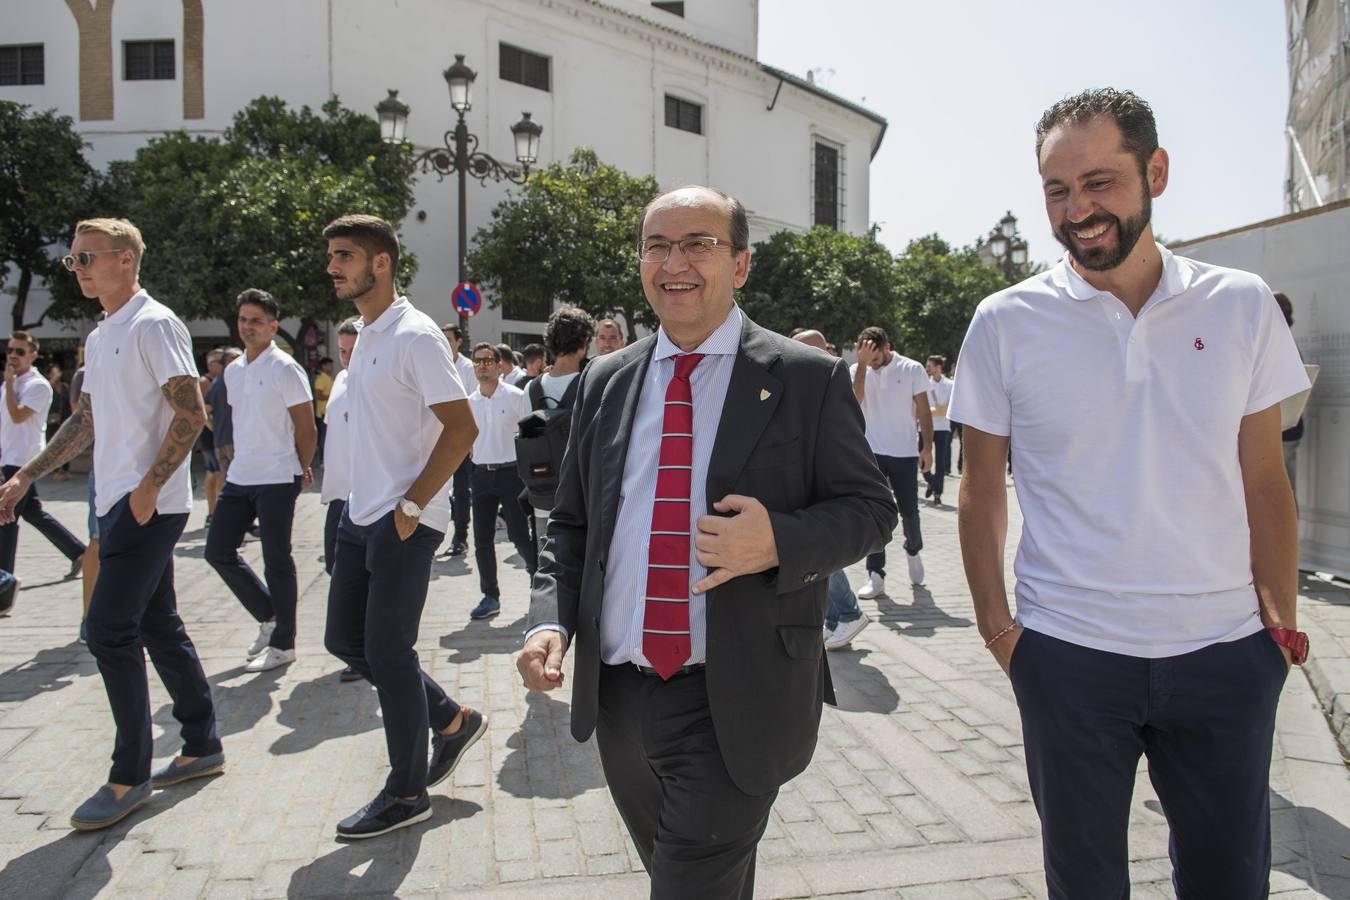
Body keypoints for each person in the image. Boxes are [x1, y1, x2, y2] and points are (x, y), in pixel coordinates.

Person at [951, 88, 1310, 899]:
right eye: (1056, 189)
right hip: (1068, 658)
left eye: (1100, 182)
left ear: (1156, 171)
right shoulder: (1004, 321)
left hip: (1225, 655)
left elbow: (1264, 480)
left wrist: (1276, 629)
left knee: (1230, 884)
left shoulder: (1241, 304)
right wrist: (1000, 632)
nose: (1077, 209)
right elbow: (979, 487)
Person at [518, 186, 897, 897]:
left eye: (699, 243)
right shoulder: (606, 380)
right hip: (618, 700)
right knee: (690, 874)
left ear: (742, 264)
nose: (675, 262)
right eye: (657, 246)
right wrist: (550, 619)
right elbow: (570, 525)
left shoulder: (804, 379)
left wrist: (779, 541)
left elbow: (872, 510)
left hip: (737, 697)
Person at [0, 217, 222, 831]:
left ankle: (130, 776)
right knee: (158, 624)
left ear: (125, 259)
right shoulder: (102, 336)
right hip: (115, 500)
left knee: (106, 631)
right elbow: (86, 421)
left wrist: (150, 487)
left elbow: (191, 409)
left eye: (86, 258)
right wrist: (27, 477)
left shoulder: (154, 323)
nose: (77, 269)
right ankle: (203, 742)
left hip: (146, 506)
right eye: (73, 260)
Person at [322, 214, 486, 839]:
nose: (334, 266)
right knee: (347, 642)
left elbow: (463, 427)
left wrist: (414, 504)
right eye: (333, 256)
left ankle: (406, 791)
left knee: (389, 653)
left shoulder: (415, 335)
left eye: (345, 256)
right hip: (360, 514)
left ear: (381, 261)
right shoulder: (365, 335)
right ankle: (451, 720)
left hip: (405, 519)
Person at [205, 290, 316, 675]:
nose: (247, 327)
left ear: (273, 326)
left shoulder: (285, 368)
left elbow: (306, 426)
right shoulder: (234, 372)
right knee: (217, 550)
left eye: (256, 320)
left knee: (276, 558)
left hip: (277, 475)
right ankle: (270, 615)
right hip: (240, 476)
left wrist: (301, 468)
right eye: (243, 320)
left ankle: (284, 642)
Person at [791, 329, 872, 651]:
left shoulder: (829, 386)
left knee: (819, 554)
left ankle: (849, 613)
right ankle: (837, 617)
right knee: (814, 554)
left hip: (822, 484)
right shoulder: (805, 385)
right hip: (806, 482)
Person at [0, 330, 87, 586]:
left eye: (20, 351)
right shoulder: (9, 384)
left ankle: (4, 583)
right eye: (10, 351)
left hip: (24, 460)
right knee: (33, 513)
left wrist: (9, 385)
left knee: (6, 519)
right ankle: (78, 551)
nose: (13, 356)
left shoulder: (36, 385)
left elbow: (18, 416)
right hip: (9, 457)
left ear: (33, 355)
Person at [851, 326, 933, 597]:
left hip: (904, 452)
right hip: (871, 452)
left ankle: (914, 550)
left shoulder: (912, 369)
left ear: (887, 347)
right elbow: (854, 401)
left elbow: (923, 410)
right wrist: (862, 365)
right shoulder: (858, 370)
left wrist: (927, 448)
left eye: (875, 359)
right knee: (874, 512)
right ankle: (875, 573)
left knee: (909, 510)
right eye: (867, 359)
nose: (872, 365)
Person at [466, 342, 536, 621]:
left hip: (510, 474)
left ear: (498, 365)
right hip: (481, 474)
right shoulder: (469, 402)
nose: (482, 366)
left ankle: (537, 578)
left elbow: (530, 433)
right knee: (482, 539)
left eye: (487, 361)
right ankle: (490, 595)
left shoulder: (516, 396)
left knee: (519, 535)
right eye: (477, 361)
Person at [321, 318, 363, 683]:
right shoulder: (340, 380)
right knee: (334, 566)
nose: (346, 358)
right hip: (338, 492)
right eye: (342, 350)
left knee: (356, 574)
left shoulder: (374, 383)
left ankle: (358, 646)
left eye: (352, 350)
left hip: (365, 495)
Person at [440, 323, 475, 557]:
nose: (445, 343)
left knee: (462, 490)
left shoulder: (468, 369)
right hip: (437, 440)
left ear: (458, 341)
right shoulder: (436, 364)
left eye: (449, 339)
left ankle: (460, 536)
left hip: (461, 440)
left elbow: (474, 403)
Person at [1275, 292, 1304, 501]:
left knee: (1279, 488)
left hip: (1281, 429)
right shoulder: (1286, 344)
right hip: (1288, 429)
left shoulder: (1280, 346)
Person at [203, 346, 242, 480]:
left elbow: (205, 412)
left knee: (229, 482)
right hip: (236, 440)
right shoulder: (236, 380)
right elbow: (204, 412)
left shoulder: (217, 382)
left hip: (222, 440)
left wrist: (215, 428)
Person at [200, 349, 226, 523]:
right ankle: (213, 512)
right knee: (214, 472)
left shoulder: (223, 379)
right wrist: (214, 429)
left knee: (217, 472)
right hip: (211, 433)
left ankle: (215, 512)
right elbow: (201, 410)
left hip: (221, 431)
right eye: (219, 361)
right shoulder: (205, 381)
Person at [923, 355, 954, 505]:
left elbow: (948, 409)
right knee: (921, 458)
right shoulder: (924, 384)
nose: (928, 369)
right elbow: (923, 409)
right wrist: (935, 410)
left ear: (938, 367)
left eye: (930, 366)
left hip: (943, 428)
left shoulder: (949, 385)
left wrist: (933, 410)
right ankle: (931, 480)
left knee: (940, 462)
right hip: (926, 426)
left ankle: (937, 492)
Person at [46, 363, 73, 480]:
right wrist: (52, 382)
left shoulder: (64, 387)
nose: (56, 375)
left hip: (64, 419)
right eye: (53, 373)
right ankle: (56, 471)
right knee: (54, 446)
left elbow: (70, 401)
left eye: (57, 372)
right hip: (52, 421)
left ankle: (65, 470)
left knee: (66, 446)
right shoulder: (47, 387)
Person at [313, 356, 334, 463]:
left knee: (328, 437)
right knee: (324, 437)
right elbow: (317, 395)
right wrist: (333, 396)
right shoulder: (321, 379)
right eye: (329, 365)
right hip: (322, 413)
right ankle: (322, 459)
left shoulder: (329, 378)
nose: (331, 367)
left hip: (329, 412)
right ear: (324, 366)